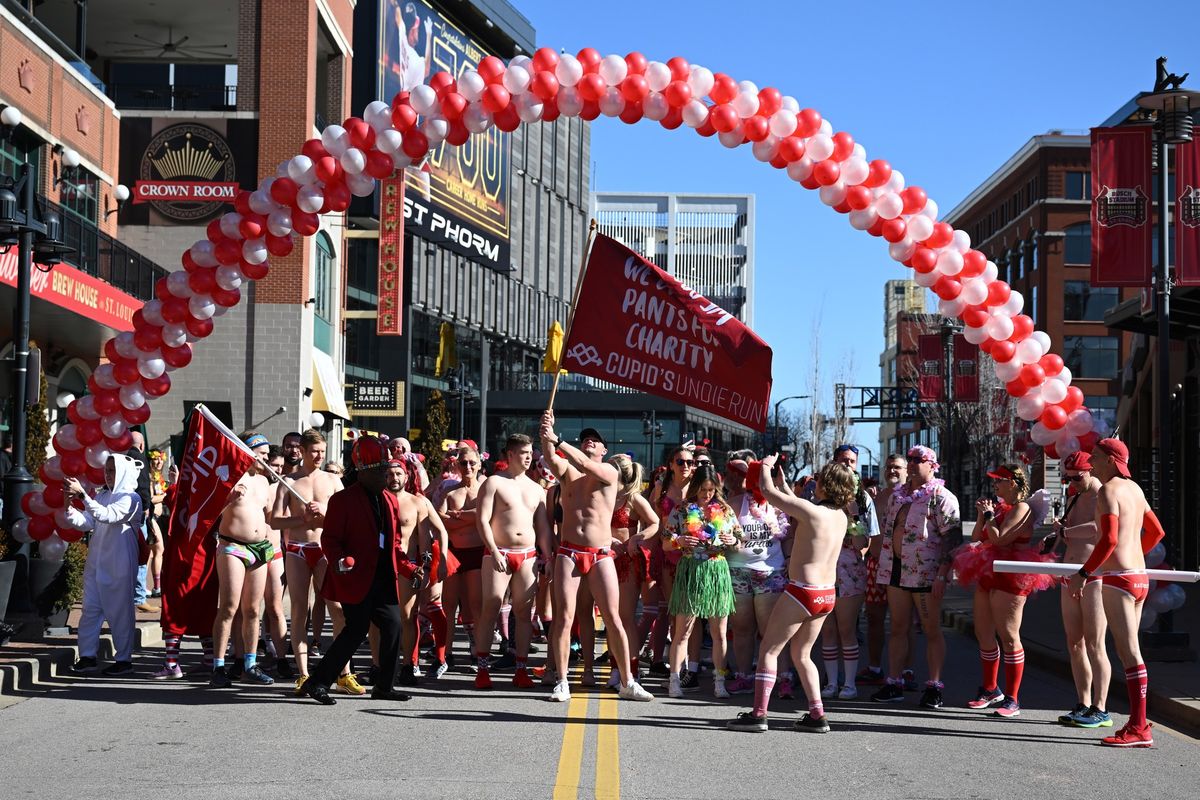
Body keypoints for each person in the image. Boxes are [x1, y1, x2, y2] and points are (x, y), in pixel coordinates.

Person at [727, 457, 856, 734]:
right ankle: (817, 714)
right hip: (826, 594)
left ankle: (759, 714)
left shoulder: (813, 512)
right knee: (802, 654)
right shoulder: (840, 516)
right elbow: (788, 499)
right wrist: (784, 482)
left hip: (802, 590)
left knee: (768, 650)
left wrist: (765, 466)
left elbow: (769, 494)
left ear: (824, 484)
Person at [298, 437, 421, 705]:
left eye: (386, 469)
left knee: (393, 625)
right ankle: (318, 682)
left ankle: (384, 686)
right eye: (379, 470)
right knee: (356, 630)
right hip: (354, 579)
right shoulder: (343, 500)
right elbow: (329, 540)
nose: (385, 475)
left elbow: (394, 545)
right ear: (363, 471)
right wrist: (340, 561)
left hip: (382, 579)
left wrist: (409, 568)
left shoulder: (390, 500)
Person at [540, 413, 653, 702]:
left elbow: (585, 463)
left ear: (604, 451)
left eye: (596, 440)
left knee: (614, 618)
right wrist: (546, 433)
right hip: (569, 551)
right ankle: (563, 681)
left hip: (601, 554)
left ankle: (628, 681)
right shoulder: (567, 471)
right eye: (585, 439)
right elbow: (553, 459)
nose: (590, 441)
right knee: (564, 618)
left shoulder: (609, 474)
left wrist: (559, 440)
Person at [1066, 438, 1165, 748]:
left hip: (1119, 580)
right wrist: (1135, 554)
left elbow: (1107, 540)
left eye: (1095, 457)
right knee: (1130, 651)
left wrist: (1085, 573)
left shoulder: (1109, 491)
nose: (1091, 463)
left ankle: (1139, 728)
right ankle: (1137, 725)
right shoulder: (1135, 490)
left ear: (1110, 460)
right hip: (1138, 576)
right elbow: (1156, 531)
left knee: (1129, 653)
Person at [953, 464, 1054, 717]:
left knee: (1009, 635)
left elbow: (999, 539)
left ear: (1013, 483)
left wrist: (989, 517)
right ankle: (990, 689)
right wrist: (982, 515)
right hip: (989, 569)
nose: (995, 485)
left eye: (999, 481)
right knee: (983, 631)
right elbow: (979, 537)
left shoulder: (1023, 508)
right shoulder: (998, 507)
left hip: (1012, 574)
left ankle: (1013, 698)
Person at [871, 445, 961, 709]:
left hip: (926, 573)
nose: (911, 464)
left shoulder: (942, 496)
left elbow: (952, 538)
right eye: (909, 459)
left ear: (932, 465)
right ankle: (894, 682)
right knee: (898, 627)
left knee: (931, 629)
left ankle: (934, 686)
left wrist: (943, 575)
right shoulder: (897, 496)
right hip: (896, 569)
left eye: (917, 460)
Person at [273, 429, 358, 694]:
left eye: (322, 451)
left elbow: (348, 517)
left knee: (337, 608)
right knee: (299, 609)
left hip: (325, 548)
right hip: (298, 548)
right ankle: (303, 673)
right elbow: (274, 520)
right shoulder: (288, 481)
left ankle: (343, 673)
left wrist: (326, 511)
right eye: (314, 451)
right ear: (304, 451)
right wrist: (303, 519)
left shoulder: (333, 481)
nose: (319, 456)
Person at [473, 434, 553, 689]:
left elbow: (543, 527)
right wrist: (494, 550)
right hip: (499, 552)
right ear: (510, 455)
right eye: (523, 452)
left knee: (524, 612)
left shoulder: (536, 488)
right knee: (491, 607)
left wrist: (548, 556)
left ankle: (521, 669)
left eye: (531, 452)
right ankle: (482, 670)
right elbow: (482, 520)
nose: (529, 457)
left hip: (528, 555)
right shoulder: (494, 482)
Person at [663, 463, 740, 699]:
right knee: (683, 630)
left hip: (717, 570)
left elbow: (739, 542)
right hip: (690, 570)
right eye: (703, 489)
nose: (707, 495)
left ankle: (719, 681)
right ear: (695, 487)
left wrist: (731, 541)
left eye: (711, 490)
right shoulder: (683, 510)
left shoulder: (725, 511)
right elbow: (666, 542)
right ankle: (674, 681)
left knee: (719, 632)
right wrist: (680, 542)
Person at [65, 454, 143, 676]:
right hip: (97, 563)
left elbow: (109, 516)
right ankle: (88, 656)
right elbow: (87, 522)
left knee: (119, 612)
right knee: (90, 610)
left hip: (119, 563)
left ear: (124, 472)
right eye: (107, 470)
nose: (108, 475)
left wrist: (82, 496)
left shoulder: (131, 498)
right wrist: (69, 506)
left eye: (113, 470)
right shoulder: (102, 495)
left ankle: (124, 660)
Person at [1050, 451, 1109, 727]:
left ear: (1092, 470)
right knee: (1075, 643)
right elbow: (1069, 531)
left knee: (1096, 644)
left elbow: (1100, 530)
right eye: (1068, 477)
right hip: (1069, 574)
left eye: (1078, 476)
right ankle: (1083, 702)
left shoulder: (1104, 495)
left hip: (1093, 575)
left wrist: (1066, 533)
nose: (1072, 481)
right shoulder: (1075, 495)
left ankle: (1101, 707)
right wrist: (1056, 536)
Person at [724, 457, 791, 697]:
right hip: (739, 572)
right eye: (757, 481)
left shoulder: (779, 506)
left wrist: (791, 558)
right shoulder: (733, 504)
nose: (761, 487)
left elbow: (791, 532)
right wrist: (729, 541)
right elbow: (722, 533)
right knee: (742, 628)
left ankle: (783, 678)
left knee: (771, 630)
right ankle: (744, 676)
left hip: (770, 572)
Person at [209, 452, 276, 688]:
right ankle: (218, 666)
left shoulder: (264, 480)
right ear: (245, 451)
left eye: (268, 454)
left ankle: (250, 664)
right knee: (228, 607)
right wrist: (227, 498)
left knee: (253, 609)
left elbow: (271, 518)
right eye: (262, 453)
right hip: (232, 546)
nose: (266, 457)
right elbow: (209, 515)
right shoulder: (230, 477)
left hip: (259, 549)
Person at [819, 444, 880, 701]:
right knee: (827, 629)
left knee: (847, 629)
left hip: (850, 569)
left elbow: (864, 544)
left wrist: (853, 516)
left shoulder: (863, 499)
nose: (847, 465)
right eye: (843, 460)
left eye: (852, 461)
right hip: (823, 568)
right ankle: (832, 682)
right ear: (834, 462)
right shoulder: (820, 493)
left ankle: (850, 684)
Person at [605, 454, 659, 689]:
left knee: (624, 618)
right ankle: (614, 669)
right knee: (609, 619)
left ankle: (630, 671)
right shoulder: (601, 494)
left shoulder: (632, 498)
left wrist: (636, 538)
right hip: (604, 560)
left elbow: (655, 522)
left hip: (627, 561)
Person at [646, 445, 696, 681]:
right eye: (680, 461)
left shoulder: (698, 488)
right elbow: (653, 522)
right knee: (672, 609)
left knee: (686, 613)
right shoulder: (661, 488)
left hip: (693, 556)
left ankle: (682, 666)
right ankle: (666, 662)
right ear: (671, 464)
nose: (685, 466)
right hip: (667, 554)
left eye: (689, 462)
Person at [860, 454, 909, 685]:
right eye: (889, 467)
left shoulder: (913, 496)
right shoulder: (877, 498)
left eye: (897, 467)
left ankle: (906, 672)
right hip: (876, 564)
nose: (892, 471)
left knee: (905, 622)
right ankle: (874, 667)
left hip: (903, 568)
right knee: (874, 618)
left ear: (906, 471)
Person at [439, 445, 485, 669]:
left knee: (477, 605)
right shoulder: (450, 492)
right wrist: (471, 517)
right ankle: (445, 653)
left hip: (477, 552)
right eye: (463, 463)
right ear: (457, 465)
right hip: (455, 552)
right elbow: (439, 519)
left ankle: (478, 651)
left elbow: (485, 515)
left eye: (472, 463)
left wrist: (459, 516)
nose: (468, 466)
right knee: (448, 605)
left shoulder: (486, 489)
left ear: (479, 465)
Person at [261, 445, 293, 678]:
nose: (279, 470)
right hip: (251, 549)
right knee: (248, 609)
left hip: (274, 552)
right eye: (274, 465)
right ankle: (245, 657)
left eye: (281, 466)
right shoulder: (255, 484)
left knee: (275, 607)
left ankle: (282, 659)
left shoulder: (283, 487)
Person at [126, 431, 156, 613]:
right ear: (142, 445)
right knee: (142, 555)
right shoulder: (140, 459)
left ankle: (130, 596)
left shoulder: (122, 458)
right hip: (138, 513)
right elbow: (143, 485)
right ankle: (139, 597)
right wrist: (146, 506)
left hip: (123, 512)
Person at [146, 450, 171, 599]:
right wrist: (165, 496)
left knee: (151, 553)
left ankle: (150, 586)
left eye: (161, 460)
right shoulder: (149, 478)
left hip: (159, 518)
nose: (158, 463)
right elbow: (150, 499)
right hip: (151, 518)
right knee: (158, 550)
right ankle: (156, 587)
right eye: (155, 460)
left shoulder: (159, 479)